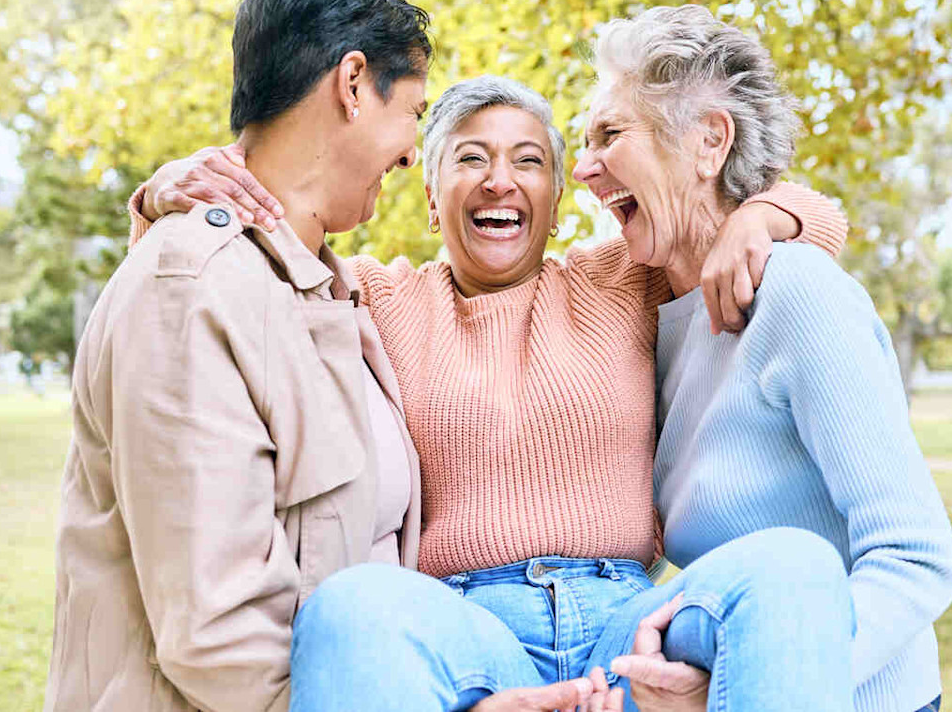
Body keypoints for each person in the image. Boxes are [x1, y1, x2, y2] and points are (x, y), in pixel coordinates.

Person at [130, 70, 855, 711]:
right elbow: (233, 260)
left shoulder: (623, 278)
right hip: (466, 625)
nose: (499, 181)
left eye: (528, 161)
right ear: (428, 191)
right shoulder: (374, 296)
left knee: (793, 565)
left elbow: (822, 221)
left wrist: (758, 217)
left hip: (628, 623)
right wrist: (161, 196)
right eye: (470, 159)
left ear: (559, 193)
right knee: (350, 605)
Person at [45, 0, 616, 712]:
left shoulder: (324, 289)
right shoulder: (191, 291)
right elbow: (219, 636)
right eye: (413, 113)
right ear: (352, 85)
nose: (414, 147)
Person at [569, 6, 952, 712]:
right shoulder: (641, 302)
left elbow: (916, 558)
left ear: (707, 142)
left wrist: (767, 677)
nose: (582, 167)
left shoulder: (799, 295)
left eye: (609, 134)